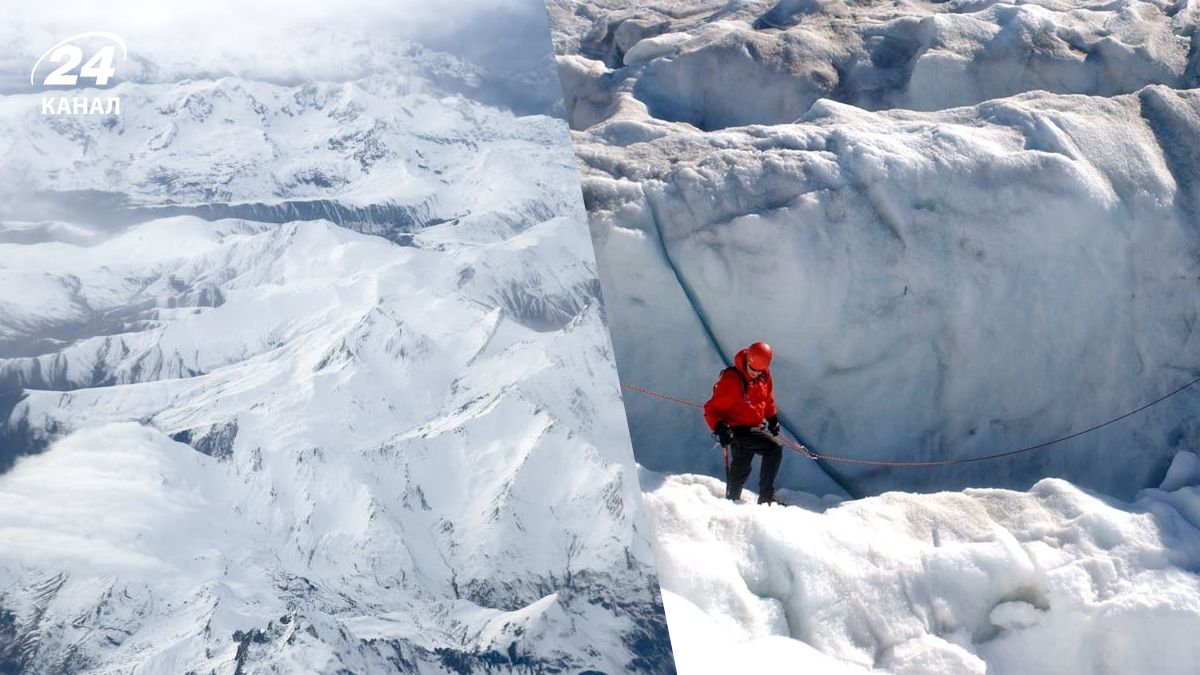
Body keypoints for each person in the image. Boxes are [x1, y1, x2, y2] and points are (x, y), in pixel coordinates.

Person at [703, 341, 783, 504]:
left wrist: (772, 418)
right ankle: (766, 498)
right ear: (748, 360)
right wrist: (719, 427)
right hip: (737, 429)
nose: (755, 374)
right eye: (752, 370)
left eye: (759, 371)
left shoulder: (763, 374)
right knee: (774, 448)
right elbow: (711, 409)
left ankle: (732, 499)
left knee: (741, 466)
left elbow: (767, 398)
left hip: (755, 425)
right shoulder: (732, 379)